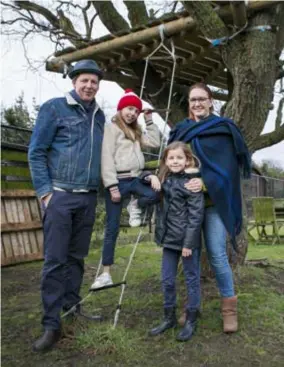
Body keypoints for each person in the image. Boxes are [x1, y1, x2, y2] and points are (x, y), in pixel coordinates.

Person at [28, 59, 105, 352]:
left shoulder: (98, 116)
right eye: (84, 80)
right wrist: (46, 194)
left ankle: (74, 310)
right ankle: (51, 324)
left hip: (87, 197)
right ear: (74, 81)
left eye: (94, 82)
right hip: (60, 196)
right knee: (55, 261)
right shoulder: (54, 108)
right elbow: (36, 152)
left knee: (76, 258)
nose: (89, 86)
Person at [168, 83, 251, 333]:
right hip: (185, 207)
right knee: (189, 255)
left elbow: (228, 171)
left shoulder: (224, 129)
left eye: (202, 99)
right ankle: (192, 305)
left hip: (213, 205)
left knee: (216, 254)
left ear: (210, 101)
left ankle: (229, 309)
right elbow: (170, 161)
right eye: (193, 100)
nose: (197, 104)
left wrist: (205, 183)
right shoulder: (181, 130)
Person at [91, 89, 161, 289]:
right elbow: (106, 157)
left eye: (136, 111)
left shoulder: (136, 130)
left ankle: (135, 204)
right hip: (118, 181)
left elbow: (155, 142)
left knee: (156, 193)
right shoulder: (111, 128)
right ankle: (105, 273)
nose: (132, 113)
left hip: (135, 179)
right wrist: (111, 186)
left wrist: (148, 121)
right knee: (112, 227)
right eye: (129, 109)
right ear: (121, 108)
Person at [148, 142, 204, 342]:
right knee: (167, 279)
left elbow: (196, 217)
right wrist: (150, 176)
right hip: (169, 241)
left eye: (179, 158)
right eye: (171, 158)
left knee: (191, 278)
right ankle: (169, 317)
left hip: (187, 243)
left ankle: (191, 319)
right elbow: (143, 183)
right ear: (165, 161)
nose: (175, 161)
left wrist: (188, 244)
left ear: (187, 160)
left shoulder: (192, 183)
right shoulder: (165, 179)